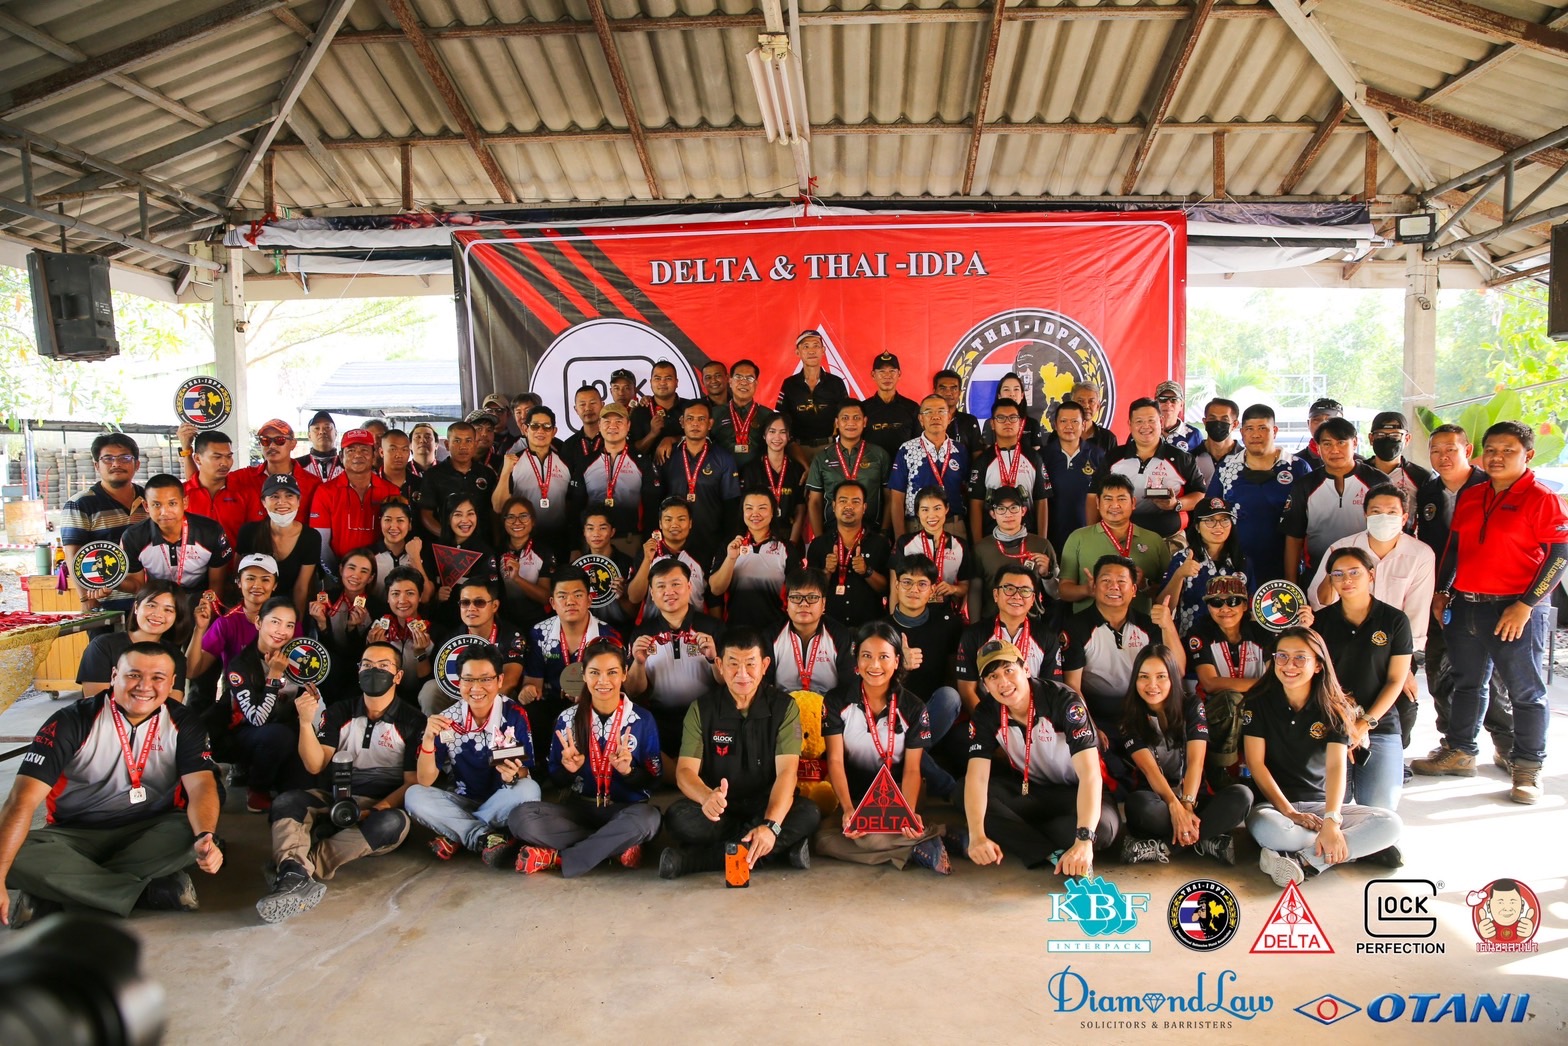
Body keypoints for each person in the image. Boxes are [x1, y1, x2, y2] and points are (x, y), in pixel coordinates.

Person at [0, 643, 222, 927]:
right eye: (134, 675)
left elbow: (201, 785)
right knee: (9, 854)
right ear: (115, 675)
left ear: (172, 683)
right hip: (73, 835)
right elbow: (22, 800)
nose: (144, 686)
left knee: (195, 837)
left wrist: (205, 835)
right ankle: (147, 892)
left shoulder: (184, 722)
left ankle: (55, 890)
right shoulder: (72, 721)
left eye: (157, 677)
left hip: (151, 828)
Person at [1412, 421, 1567, 804]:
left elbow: (1559, 554)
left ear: (1528, 454)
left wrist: (1526, 605)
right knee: (1467, 683)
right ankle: (1461, 750)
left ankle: (1527, 767)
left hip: (1514, 608)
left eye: (1508, 450)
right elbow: (1455, 547)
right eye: (1492, 450)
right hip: (1466, 604)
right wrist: (1443, 591)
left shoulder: (1541, 497)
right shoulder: (1473, 495)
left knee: (1525, 691)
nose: (1498, 457)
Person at [255, 641, 425, 922]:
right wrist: (305, 722)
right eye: (367, 665)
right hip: (335, 797)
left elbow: (411, 783)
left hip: (378, 806)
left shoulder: (413, 721)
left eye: (383, 666)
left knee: (393, 823)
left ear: (397, 676)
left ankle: (295, 871)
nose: (374, 671)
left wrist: (379, 808)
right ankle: (294, 873)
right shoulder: (339, 712)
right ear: (358, 672)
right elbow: (315, 764)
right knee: (287, 801)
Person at [1243, 627, 1404, 886]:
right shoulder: (1258, 701)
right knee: (1274, 832)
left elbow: (1336, 766)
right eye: (1282, 656)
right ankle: (1351, 849)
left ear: (1318, 665)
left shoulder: (1335, 709)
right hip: (1275, 809)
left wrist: (1331, 820)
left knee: (1390, 824)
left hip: (1319, 806)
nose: (1289, 665)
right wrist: (1290, 813)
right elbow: (1256, 764)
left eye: (1300, 658)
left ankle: (1304, 862)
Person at [660, 627, 821, 878]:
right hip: (722, 809)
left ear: (764, 665)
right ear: (720, 665)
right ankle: (777, 849)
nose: (742, 674)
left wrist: (770, 824)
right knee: (678, 818)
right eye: (733, 664)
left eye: (750, 664)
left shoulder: (784, 707)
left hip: (767, 805)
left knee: (808, 813)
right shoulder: (702, 709)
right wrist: (706, 797)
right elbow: (684, 772)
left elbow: (787, 774)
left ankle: (693, 861)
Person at [508, 638, 663, 876]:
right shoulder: (567, 719)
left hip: (625, 810)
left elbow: (654, 781)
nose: (603, 681)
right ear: (583, 675)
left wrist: (629, 772)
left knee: (649, 819)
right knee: (521, 818)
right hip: (579, 811)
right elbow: (556, 779)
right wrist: (569, 770)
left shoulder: (642, 720)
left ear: (624, 674)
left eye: (612, 672)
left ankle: (558, 858)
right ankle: (613, 847)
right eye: (594, 673)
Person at [962, 639, 1116, 876]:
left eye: (1008, 670)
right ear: (985, 685)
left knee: (1102, 829)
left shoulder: (1063, 700)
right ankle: (1051, 852)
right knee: (965, 795)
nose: (1003, 682)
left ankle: (1037, 839)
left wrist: (1084, 840)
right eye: (993, 677)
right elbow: (977, 777)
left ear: (1026, 669)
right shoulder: (986, 712)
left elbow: (1090, 775)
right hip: (1032, 791)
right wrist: (977, 836)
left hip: (1077, 790)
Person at [816, 622, 949, 873]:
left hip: (898, 794)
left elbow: (912, 769)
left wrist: (907, 812)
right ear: (856, 661)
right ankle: (926, 841)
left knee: (869, 840)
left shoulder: (913, 707)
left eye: (884, 657)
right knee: (823, 841)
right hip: (855, 794)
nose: (874, 665)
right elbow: (835, 760)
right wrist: (848, 809)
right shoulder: (835, 701)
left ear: (897, 661)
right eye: (866, 656)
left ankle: (916, 840)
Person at [1415, 424, 1512, 769]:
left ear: (1467, 451)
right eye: (1435, 450)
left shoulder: (1490, 487)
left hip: (1484, 594)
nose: (1442, 457)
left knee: (1491, 676)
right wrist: (1438, 590)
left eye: (1450, 449)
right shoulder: (1428, 491)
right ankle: (1454, 746)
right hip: (1439, 593)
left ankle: (1507, 745)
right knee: (1441, 671)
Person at [405, 645, 540, 863]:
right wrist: (428, 740)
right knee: (414, 795)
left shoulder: (514, 714)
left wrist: (513, 774)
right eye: (468, 680)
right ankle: (483, 835)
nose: (476, 688)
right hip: (461, 799)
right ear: (459, 682)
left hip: (501, 798)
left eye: (485, 679)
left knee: (529, 789)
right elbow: (425, 780)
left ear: (499, 680)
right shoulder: (447, 719)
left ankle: (459, 833)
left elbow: (525, 770)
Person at [1118, 644, 1252, 865]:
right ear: (1135, 680)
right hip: (1157, 800)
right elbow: (1149, 770)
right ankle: (1204, 839)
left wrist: (1186, 806)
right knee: (1138, 807)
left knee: (1242, 796)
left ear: (1173, 678)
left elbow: (1196, 761)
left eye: (1161, 676)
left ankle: (1164, 847)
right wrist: (1174, 806)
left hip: (1193, 797)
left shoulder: (1191, 704)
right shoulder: (1129, 713)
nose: (1152, 685)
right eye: (1144, 677)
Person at [1312, 547, 1413, 811]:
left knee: (1380, 810)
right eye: (1338, 574)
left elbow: (1396, 680)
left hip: (1379, 723)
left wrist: (1363, 724)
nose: (1346, 579)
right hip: (1330, 723)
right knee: (1329, 809)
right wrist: (1344, 728)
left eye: (1354, 572)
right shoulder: (1319, 623)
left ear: (1370, 575)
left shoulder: (1394, 620)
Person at [1060, 556, 1183, 741]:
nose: (1114, 587)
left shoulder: (1148, 625)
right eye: (1106, 580)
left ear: (1133, 590)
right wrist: (1089, 726)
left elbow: (1178, 671)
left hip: (1142, 707)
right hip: (1095, 711)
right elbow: (1072, 686)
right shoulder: (1076, 627)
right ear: (1094, 587)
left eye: (1121, 581)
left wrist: (1168, 626)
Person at [1308, 484, 1435, 652]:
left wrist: (1404, 654)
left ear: (1404, 518)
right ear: (1366, 515)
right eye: (1376, 512)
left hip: (1393, 644)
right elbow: (1320, 603)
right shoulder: (1341, 549)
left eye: (1391, 512)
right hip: (1343, 641)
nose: (1383, 518)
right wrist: (1335, 573)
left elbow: (1417, 610)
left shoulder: (1421, 555)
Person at [879, 555, 962, 799]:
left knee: (950, 696)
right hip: (893, 716)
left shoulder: (948, 624)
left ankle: (899, 753)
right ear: (896, 585)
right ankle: (951, 790)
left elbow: (953, 675)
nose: (914, 590)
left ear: (932, 589)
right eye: (907, 582)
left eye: (922, 584)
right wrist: (900, 668)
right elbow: (871, 689)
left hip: (932, 713)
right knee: (900, 739)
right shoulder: (880, 630)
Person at [626, 558, 724, 759]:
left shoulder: (713, 628)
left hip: (708, 718)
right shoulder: (642, 634)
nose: (669, 591)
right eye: (661, 586)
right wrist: (639, 663)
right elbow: (633, 691)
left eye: (676, 584)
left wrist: (713, 659)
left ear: (689, 587)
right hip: (661, 721)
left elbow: (729, 683)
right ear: (652, 593)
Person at [521, 566, 620, 760]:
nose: (570, 602)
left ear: (589, 599)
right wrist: (528, 691)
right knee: (532, 710)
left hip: (594, 701)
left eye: (578, 595)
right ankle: (542, 765)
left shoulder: (608, 636)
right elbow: (533, 682)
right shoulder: (539, 633)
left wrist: (588, 695)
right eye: (562, 596)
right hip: (551, 702)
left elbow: (617, 686)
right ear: (553, 602)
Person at [1207, 403, 1312, 585]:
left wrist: (1292, 578)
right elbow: (1210, 513)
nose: (1256, 435)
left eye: (1263, 428)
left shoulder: (1297, 467)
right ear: (1242, 432)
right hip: (1235, 567)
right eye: (1249, 429)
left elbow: (1311, 518)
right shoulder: (1226, 467)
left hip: (1285, 566)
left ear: (1275, 431)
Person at [223, 598, 311, 813]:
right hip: (247, 735)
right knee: (278, 735)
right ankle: (256, 789)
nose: (282, 631)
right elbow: (257, 719)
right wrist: (274, 675)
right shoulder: (240, 664)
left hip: (286, 731)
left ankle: (277, 779)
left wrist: (311, 698)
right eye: (275, 622)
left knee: (299, 790)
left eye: (289, 625)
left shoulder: (298, 657)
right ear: (258, 622)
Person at [1187, 574, 1276, 786]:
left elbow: (1277, 678)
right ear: (1209, 607)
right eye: (1216, 602)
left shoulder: (1262, 631)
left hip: (1259, 706)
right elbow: (1210, 683)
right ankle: (1221, 774)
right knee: (1230, 701)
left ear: (1245, 605)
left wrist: (1266, 686)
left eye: (1233, 601)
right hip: (1216, 709)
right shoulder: (1200, 632)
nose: (1225, 608)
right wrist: (1263, 684)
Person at [1281, 416, 1387, 583]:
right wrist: (1291, 583)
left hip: (1367, 576)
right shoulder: (1305, 485)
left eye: (1341, 442)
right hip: (1317, 576)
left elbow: (1391, 533)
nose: (1334, 450)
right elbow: (1294, 537)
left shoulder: (1378, 482)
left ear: (1355, 443)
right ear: (1318, 448)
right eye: (1327, 444)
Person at [1090, 397, 1202, 539]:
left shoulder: (1181, 458)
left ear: (1161, 421)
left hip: (1169, 538)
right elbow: (1093, 494)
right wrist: (1091, 533)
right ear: (1130, 424)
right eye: (1139, 421)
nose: (1145, 426)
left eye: (1151, 420)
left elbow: (1200, 494)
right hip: (1118, 537)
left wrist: (1176, 504)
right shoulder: (1113, 457)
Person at [955, 564, 1060, 713]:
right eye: (1009, 589)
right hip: (988, 716)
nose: (1017, 596)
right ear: (996, 595)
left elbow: (1051, 688)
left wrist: (1032, 720)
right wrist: (987, 721)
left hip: (1033, 715)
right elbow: (967, 690)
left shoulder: (1047, 637)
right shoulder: (974, 635)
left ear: (1033, 599)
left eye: (1024, 590)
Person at [61, 433, 148, 611]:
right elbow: (73, 556)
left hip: (151, 602)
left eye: (124, 458)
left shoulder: (150, 499)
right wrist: (86, 599)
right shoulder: (80, 504)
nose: (116, 464)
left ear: (137, 464)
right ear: (96, 466)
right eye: (108, 458)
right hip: (105, 604)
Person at [1057, 474, 1169, 612]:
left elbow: (1169, 593)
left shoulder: (1154, 540)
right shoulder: (1078, 538)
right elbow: (1063, 590)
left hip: (1140, 623)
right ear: (1098, 502)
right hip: (1089, 623)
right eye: (1108, 499)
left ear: (1133, 503)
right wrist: (1087, 590)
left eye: (1121, 499)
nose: (1115, 505)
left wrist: (1145, 585)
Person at [119, 473, 232, 603]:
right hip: (157, 600)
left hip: (200, 599)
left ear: (185, 502)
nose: (164, 512)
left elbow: (217, 583)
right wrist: (112, 583)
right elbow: (137, 586)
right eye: (156, 505)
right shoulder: (133, 537)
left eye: (172, 503)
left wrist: (209, 612)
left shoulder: (210, 531)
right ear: (146, 506)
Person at [420, 580, 526, 713]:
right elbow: (439, 677)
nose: (471, 608)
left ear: (494, 606)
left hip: (494, 695)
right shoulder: (451, 638)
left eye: (479, 602)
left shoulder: (511, 635)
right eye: (465, 603)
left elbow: (510, 680)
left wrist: (475, 704)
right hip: (459, 696)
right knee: (430, 689)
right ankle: (436, 727)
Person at [570, 401, 661, 555]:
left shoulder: (642, 462)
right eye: (607, 421)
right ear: (599, 425)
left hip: (630, 541)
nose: (613, 426)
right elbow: (575, 509)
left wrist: (648, 546)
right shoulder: (586, 463)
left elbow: (652, 509)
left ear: (628, 425)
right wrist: (574, 547)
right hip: (593, 543)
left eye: (619, 421)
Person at [77, 581, 190, 703]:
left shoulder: (175, 656)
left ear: (176, 616)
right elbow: (95, 705)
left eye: (168, 610)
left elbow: (173, 707)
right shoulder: (102, 646)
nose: (158, 614)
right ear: (136, 607)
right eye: (151, 605)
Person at [185, 554, 292, 681]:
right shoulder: (226, 623)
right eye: (250, 578)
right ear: (239, 582)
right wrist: (199, 629)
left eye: (265, 580)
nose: (257, 585)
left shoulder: (289, 621)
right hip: (237, 692)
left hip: (282, 691)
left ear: (275, 585)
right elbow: (190, 671)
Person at [1157, 497, 1251, 635]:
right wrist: (1179, 575)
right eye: (1210, 520)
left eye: (1224, 520)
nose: (1218, 526)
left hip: (1232, 640)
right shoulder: (1182, 558)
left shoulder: (1242, 561)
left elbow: (1251, 606)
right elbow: (1162, 606)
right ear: (1197, 527)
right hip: (1190, 639)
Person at [309, 428, 400, 569]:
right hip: (339, 570)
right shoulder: (325, 492)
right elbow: (321, 543)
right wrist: (337, 575)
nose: (358, 455)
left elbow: (397, 538)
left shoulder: (391, 491)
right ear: (341, 457)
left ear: (374, 455)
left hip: (382, 570)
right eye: (350, 450)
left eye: (364, 450)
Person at [710, 490, 797, 636]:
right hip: (735, 631)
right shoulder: (730, 545)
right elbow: (716, 589)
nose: (755, 514)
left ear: (773, 512)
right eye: (749, 508)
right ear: (742, 512)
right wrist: (731, 558)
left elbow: (795, 593)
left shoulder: (786, 549)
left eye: (762, 508)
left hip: (775, 632)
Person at [805, 480, 891, 627]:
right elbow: (810, 592)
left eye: (855, 502)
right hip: (829, 626)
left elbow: (888, 589)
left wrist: (867, 572)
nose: (849, 506)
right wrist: (826, 572)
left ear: (864, 507)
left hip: (870, 627)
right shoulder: (819, 544)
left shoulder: (880, 544)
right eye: (843, 501)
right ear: (833, 506)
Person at [237, 472, 321, 621]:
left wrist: (295, 625)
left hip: (289, 609)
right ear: (263, 501)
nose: (282, 502)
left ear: (299, 501)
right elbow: (239, 578)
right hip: (253, 608)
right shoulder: (248, 532)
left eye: (289, 496)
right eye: (274, 496)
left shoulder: (311, 537)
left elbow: (301, 588)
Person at [660, 399, 741, 552]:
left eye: (701, 419)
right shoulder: (668, 455)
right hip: (673, 543)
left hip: (711, 541)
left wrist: (728, 543)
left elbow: (731, 506)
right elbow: (657, 499)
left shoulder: (724, 458)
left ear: (710, 424)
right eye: (690, 418)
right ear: (682, 422)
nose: (695, 424)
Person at [805, 400, 892, 537]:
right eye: (845, 418)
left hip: (872, 534)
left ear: (864, 422)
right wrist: (819, 539)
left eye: (856, 418)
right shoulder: (822, 458)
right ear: (837, 423)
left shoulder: (880, 455)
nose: (851, 422)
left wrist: (884, 532)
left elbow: (890, 498)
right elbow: (814, 502)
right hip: (831, 533)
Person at [969, 487, 1058, 620]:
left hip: (1032, 623)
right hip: (992, 623)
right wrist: (975, 626)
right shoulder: (981, 548)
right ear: (993, 514)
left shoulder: (1042, 545)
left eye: (1014, 508)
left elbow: (1057, 594)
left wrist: (1047, 575)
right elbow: (975, 592)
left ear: (1023, 511)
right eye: (1001, 509)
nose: (1008, 514)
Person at [969, 397, 1051, 539]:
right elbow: (976, 504)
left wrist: (1042, 540)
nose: (1007, 422)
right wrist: (978, 544)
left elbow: (1041, 501)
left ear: (1020, 422)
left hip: (1027, 535)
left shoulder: (1034, 458)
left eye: (1013, 418)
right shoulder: (983, 461)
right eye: (1001, 418)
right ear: (992, 424)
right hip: (992, 537)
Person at [889, 395, 968, 540]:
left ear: (949, 417)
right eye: (929, 412)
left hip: (953, 526)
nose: (935, 416)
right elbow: (897, 497)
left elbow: (967, 491)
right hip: (916, 526)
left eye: (941, 411)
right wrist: (900, 538)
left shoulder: (960, 450)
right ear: (921, 419)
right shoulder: (907, 450)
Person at [497, 406, 574, 556]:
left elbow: (572, 505)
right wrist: (505, 472)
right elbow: (499, 507)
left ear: (554, 431)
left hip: (559, 539)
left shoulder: (566, 462)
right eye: (535, 426)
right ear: (526, 429)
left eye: (547, 426)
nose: (540, 431)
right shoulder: (512, 462)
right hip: (522, 539)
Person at [769, 567, 855, 695]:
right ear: (787, 603)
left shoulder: (841, 636)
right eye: (796, 597)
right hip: (783, 704)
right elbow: (765, 686)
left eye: (812, 597)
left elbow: (848, 687)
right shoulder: (771, 636)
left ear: (823, 604)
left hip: (827, 704)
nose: (804, 604)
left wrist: (823, 706)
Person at [777, 329, 848, 468]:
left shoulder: (836, 383)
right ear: (797, 352)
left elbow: (845, 415)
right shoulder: (789, 384)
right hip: (798, 450)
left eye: (816, 345)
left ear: (823, 350)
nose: (811, 351)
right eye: (806, 346)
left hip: (829, 448)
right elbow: (782, 419)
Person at [900, 486, 976, 617]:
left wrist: (953, 589)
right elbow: (895, 586)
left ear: (947, 509)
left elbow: (965, 586)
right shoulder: (905, 543)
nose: (931, 515)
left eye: (937, 508)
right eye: (925, 510)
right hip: (912, 613)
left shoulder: (960, 545)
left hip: (946, 612)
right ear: (917, 513)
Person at [1039, 399, 1105, 550]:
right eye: (1063, 421)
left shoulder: (1098, 456)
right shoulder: (1042, 457)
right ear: (1055, 425)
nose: (1069, 426)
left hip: (1088, 536)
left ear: (1083, 425)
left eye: (1075, 421)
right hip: (1052, 536)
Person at [308, 548, 377, 692]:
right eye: (351, 568)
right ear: (341, 569)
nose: (356, 575)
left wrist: (353, 630)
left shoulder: (377, 608)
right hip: (329, 671)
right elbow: (320, 650)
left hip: (359, 673)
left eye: (364, 571)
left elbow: (363, 654)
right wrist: (322, 625)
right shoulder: (324, 599)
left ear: (370, 578)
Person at [231, 419, 322, 524]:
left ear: (293, 444)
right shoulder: (241, 478)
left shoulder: (313, 484)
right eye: (265, 440)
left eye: (280, 440)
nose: (272, 446)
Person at [625, 498, 708, 615]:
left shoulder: (702, 554)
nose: (674, 525)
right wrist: (647, 560)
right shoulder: (647, 553)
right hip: (655, 623)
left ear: (690, 523)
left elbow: (713, 598)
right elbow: (634, 597)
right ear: (660, 523)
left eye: (681, 519)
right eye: (668, 519)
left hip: (695, 623)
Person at [366, 566, 434, 707]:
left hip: (420, 702)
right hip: (385, 701)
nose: (402, 600)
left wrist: (421, 653)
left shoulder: (434, 631)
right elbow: (369, 679)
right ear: (387, 598)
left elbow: (429, 685)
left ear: (420, 596)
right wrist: (378, 651)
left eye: (410, 593)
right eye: (395, 594)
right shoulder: (376, 630)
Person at [418, 421, 498, 538]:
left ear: (475, 444)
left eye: (468, 441)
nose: (463, 446)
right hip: (446, 543)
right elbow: (426, 515)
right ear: (447, 444)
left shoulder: (487, 474)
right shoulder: (433, 475)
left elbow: (494, 513)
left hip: (482, 542)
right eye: (457, 441)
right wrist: (448, 537)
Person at [179, 429, 253, 549]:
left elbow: (254, 536)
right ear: (197, 459)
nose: (225, 463)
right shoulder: (180, 495)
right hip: (189, 561)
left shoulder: (245, 494)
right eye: (217, 457)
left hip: (235, 561)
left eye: (229, 456)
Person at [431, 493, 500, 621]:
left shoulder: (485, 552)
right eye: (458, 514)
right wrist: (436, 597)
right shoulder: (436, 549)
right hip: (439, 621)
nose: (465, 520)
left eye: (470, 514)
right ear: (448, 519)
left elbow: (491, 593)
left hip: (472, 622)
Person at [740, 414, 806, 543]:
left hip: (788, 534)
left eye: (783, 432)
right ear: (764, 436)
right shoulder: (751, 469)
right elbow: (745, 507)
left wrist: (792, 542)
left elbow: (800, 508)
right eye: (772, 431)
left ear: (789, 436)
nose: (777, 437)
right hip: (758, 534)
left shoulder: (797, 469)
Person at [496, 497, 555, 631]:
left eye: (523, 516)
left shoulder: (543, 552)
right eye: (510, 517)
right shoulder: (497, 552)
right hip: (506, 623)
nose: (517, 522)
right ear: (504, 522)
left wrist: (517, 579)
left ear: (533, 521)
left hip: (538, 621)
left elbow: (546, 597)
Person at [364, 498, 434, 605]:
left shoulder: (421, 553)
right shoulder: (368, 555)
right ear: (380, 523)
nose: (393, 526)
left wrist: (415, 557)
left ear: (409, 524)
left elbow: (425, 597)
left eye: (400, 520)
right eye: (387, 520)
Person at [712, 359, 775, 471]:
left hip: (757, 475)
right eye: (738, 377)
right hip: (722, 474)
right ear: (730, 381)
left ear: (756, 384)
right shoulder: (714, 413)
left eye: (749, 378)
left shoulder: (768, 415)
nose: (744, 382)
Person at [1364, 411, 1432, 505]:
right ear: (1371, 438)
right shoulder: (1358, 472)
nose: (1387, 440)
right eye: (1380, 435)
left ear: (1407, 439)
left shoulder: (1421, 478)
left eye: (1395, 436)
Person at [860, 351, 922, 455]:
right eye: (882, 371)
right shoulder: (863, 408)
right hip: (872, 464)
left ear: (899, 374)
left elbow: (919, 442)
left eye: (892, 371)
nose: (887, 376)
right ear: (873, 375)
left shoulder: (912, 408)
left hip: (904, 464)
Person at [631, 359, 688, 460]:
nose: (662, 383)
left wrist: (672, 439)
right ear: (651, 382)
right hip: (649, 469)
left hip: (687, 467)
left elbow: (703, 438)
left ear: (676, 382)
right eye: (657, 378)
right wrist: (652, 434)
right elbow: (633, 452)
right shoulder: (639, 411)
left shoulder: (690, 408)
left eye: (668, 378)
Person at [1191, 397, 1242, 490]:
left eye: (1224, 420)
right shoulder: (1190, 458)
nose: (1218, 424)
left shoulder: (1247, 458)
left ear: (1234, 425)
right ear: (1205, 422)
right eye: (1212, 418)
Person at [933, 369, 984, 457]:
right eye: (942, 388)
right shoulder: (925, 420)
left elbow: (977, 456)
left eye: (954, 388)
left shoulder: (970, 421)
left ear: (960, 392)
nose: (948, 393)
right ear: (934, 391)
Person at [987, 373, 1045, 451]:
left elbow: (1036, 454)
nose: (1012, 394)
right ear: (999, 396)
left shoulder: (1032, 423)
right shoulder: (990, 423)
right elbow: (987, 452)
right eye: (1006, 389)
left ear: (1022, 395)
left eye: (1016, 389)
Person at [560, 385, 607, 478]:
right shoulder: (569, 445)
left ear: (602, 405)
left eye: (593, 403)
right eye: (582, 404)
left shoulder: (613, 440)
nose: (588, 408)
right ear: (576, 409)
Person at [1069, 380, 1120, 454]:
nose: (1086, 406)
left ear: (1098, 406)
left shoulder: (1108, 439)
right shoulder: (1059, 436)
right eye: (1080, 401)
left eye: (1091, 401)